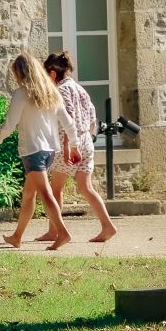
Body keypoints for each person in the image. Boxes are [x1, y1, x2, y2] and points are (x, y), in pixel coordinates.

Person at [0, 52, 81, 251]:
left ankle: (62, 232)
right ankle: (17, 236)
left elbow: (10, 123)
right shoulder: (51, 92)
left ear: (20, 73)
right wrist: (75, 145)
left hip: (33, 151)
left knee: (45, 194)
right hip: (49, 151)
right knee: (28, 194)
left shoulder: (21, 94)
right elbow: (69, 123)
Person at [34, 51, 117, 244]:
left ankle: (54, 231)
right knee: (86, 187)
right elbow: (92, 116)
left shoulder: (61, 90)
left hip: (70, 144)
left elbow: (68, 118)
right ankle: (107, 225)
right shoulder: (80, 89)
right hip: (86, 141)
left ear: (53, 74)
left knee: (55, 190)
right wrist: (87, 138)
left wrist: (68, 145)